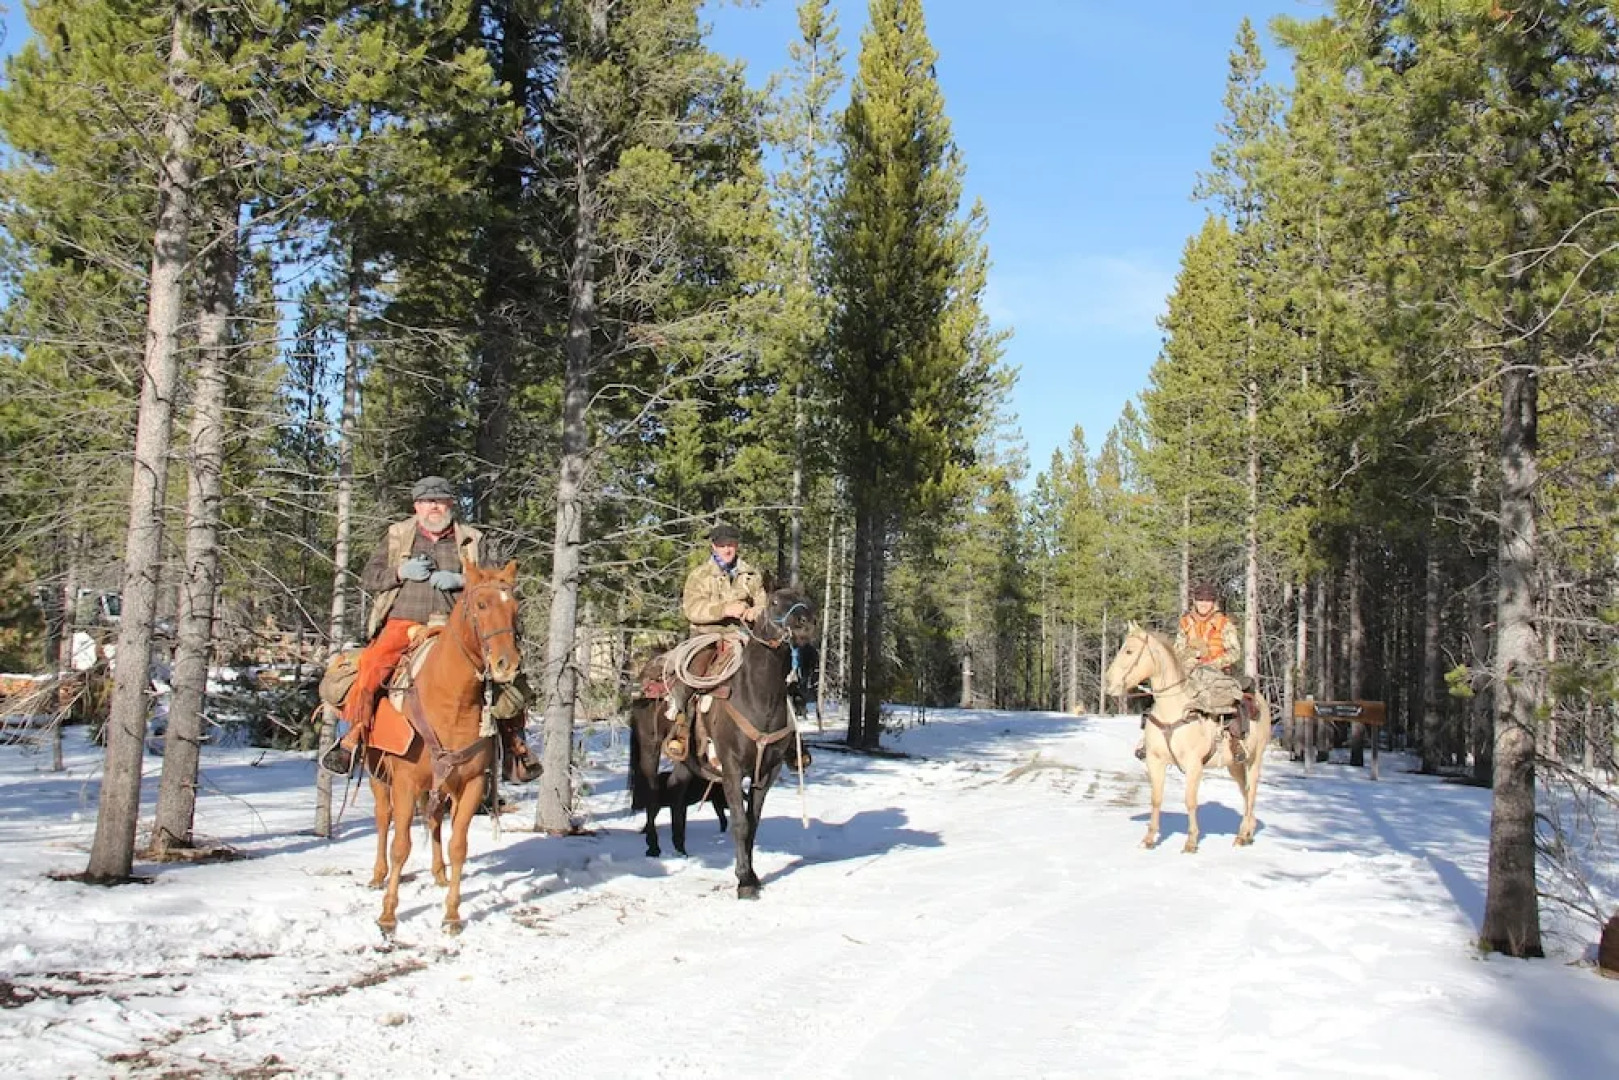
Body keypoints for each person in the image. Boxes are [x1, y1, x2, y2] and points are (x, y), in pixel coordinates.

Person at [320, 475, 541, 783]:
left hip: (458, 627)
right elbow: (369, 578)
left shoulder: (472, 539)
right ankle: (352, 740)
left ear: (451, 504)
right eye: (427, 502)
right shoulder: (399, 536)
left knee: (507, 673)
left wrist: (462, 580)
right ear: (416, 506)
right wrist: (400, 571)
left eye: (440, 500)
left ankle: (514, 746)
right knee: (372, 666)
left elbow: (497, 582)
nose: (433, 507)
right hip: (404, 621)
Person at [1172, 581, 1248, 764]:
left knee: (1230, 698)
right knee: (1168, 691)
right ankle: (1151, 737)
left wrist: (1215, 662)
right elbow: (1177, 649)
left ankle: (1237, 741)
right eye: (1200, 600)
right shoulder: (1185, 623)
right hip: (1190, 671)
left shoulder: (1224, 623)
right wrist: (1193, 656)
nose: (1203, 604)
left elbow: (1235, 652)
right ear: (1194, 602)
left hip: (1217, 672)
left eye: (1207, 600)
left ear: (1214, 603)